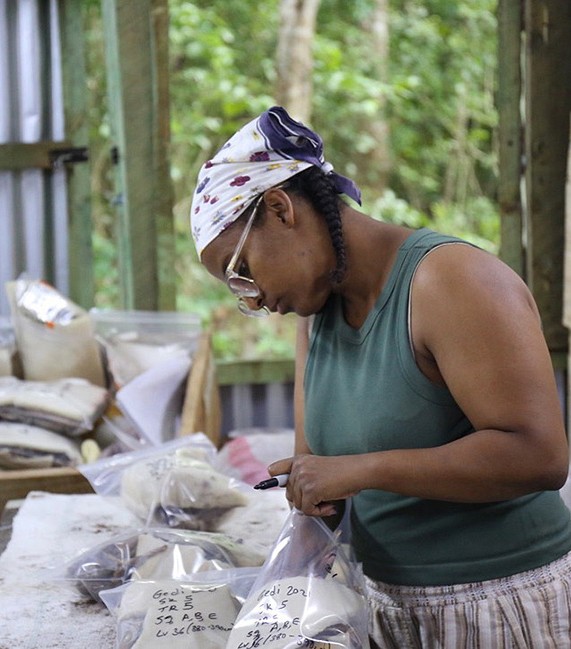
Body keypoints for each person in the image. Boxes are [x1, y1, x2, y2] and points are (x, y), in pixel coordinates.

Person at [190, 106, 571, 648]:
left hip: (494, 602)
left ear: (279, 208)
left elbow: (540, 456)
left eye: (241, 269)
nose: (252, 297)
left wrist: (359, 470)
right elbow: (321, 468)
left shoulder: (452, 281)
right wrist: (310, 495)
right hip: (382, 605)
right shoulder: (315, 313)